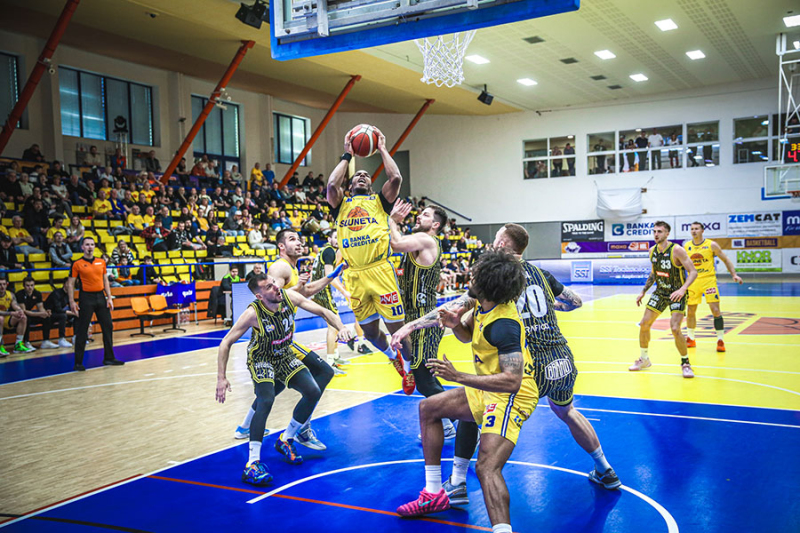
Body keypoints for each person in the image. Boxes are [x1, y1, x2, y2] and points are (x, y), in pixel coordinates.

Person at [393, 251, 538, 533]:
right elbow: (468, 335)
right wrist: (455, 324)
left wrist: (458, 376)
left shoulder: (504, 324)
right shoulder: (483, 306)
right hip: (487, 385)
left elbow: (512, 381)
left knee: (486, 467)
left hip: (511, 396)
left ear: (487, 283)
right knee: (429, 408)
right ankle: (434, 494)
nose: (470, 276)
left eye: (476, 274)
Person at [215, 273, 353, 486]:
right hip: (262, 358)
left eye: (274, 283)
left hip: (285, 353)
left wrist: (342, 327)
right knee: (266, 399)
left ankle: (286, 438)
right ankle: (252, 462)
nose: (275, 288)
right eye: (269, 287)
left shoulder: (289, 296)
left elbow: (324, 311)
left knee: (313, 390)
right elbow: (225, 343)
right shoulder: (252, 313)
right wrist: (221, 378)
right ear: (260, 296)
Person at [233, 229, 346, 444]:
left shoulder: (292, 267)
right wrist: (298, 288)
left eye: (299, 239)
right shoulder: (280, 267)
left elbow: (306, 290)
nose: (299, 242)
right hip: (271, 340)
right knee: (322, 371)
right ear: (281, 247)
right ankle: (302, 427)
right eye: (292, 239)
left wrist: (331, 276)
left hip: (281, 338)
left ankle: (245, 427)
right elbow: (270, 297)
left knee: (276, 386)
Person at [326, 127, 410, 384]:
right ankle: (392, 358)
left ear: (371, 184)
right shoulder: (341, 204)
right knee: (372, 333)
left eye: (366, 175)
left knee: (398, 329)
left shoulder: (379, 202)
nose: (362, 176)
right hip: (355, 276)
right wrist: (347, 155)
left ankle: (410, 367)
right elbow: (331, 184)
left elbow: (395, 179)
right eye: (357, 176)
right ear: (350, 185)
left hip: (380, 270)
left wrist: (382, 148)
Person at [387, 200, 454, 411]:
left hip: (425, 319)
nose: (418, 216)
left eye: (424, 215)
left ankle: (463, 422)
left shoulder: (426, 239)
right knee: (425, 379)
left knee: (425, 380)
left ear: (435, 224)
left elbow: (396, 244)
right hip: (413, 317)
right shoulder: (423, 241)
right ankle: (451, 422)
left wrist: (392, 220)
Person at [630, 221, 697, 378]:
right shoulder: (652, 251)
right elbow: (654, 273)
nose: (656, 234)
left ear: (667, 234)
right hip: (660, 292)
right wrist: (643, 291)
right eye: (654, 231)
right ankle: (644, 359)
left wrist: (682, 289)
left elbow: (693, 272)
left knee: (675, 329)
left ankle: (685, 363)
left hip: (676, 293)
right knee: (644, 324)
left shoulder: (677, 250)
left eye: (659, 231)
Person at [65, 237, 124, 371]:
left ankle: (109, 357)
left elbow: (105, 280)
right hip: (86, 297)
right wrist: (72, 301)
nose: (90, 247)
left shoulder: (101, 262)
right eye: (87, 245)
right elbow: (71, 283)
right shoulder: (77, 264)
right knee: (82, 329)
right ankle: (78, 362)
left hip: (100, 297)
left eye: (92, 244)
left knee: (108, 326)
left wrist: (109, 297)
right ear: (82, 247)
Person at [684, 221, 743, 352]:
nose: (694, 231)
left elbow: (726, 259)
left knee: (715, 311)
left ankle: (720, 340)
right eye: (692, 229)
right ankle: (690, 338)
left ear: (702, 231)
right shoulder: (687, 246)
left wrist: (734, 274)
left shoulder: (711, 245)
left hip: (708, 281)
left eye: (696, 229)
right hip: (693, 282)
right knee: (691, 311)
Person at [17, 277, 60, 350]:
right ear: (24, 286)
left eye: (32, 285)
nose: (30, 287)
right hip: (19, 316)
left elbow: (41, 308)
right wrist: (40, 314)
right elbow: (24, 311)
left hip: (31, 314)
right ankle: (26, 342)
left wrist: (45, 313)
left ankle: (46, 341)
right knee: (26, 319)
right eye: (27, 285)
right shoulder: (19, 294)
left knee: (46, 317)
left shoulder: (37, 293)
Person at [0, 277, 32, 355]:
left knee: (23, 317)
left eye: (4, 284)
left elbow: (15, 305)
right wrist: (11, 313)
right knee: (0, 318)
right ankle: (0, 345)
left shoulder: (10, 294)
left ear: (7, 284)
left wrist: (20, 311)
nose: (2, 286)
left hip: (6, 319)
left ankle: (18, 345)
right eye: (0, 284)